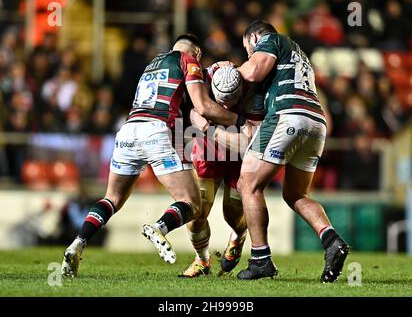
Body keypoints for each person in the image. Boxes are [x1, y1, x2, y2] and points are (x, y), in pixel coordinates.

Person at [61, 33, 249, 277]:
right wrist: (241, 122)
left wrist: (212, 69)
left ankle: (77, 244)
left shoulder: (153, 64)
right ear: (196, 53)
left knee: (111, 199)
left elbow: (192, 76)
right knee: (192, 204)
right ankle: (159, 227)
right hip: (157, 130)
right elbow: (201, 105)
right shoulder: (187, 60)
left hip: (128, 130)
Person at [235, 20, 349, 282]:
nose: (249, 53)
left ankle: (260, 259)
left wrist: (229, 70)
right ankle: (332, 241)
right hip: (316, 122)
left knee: (248, 184)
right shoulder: (300, 57)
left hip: (288, 115)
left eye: (247, 48)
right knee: (296, 193)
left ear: (253, 37)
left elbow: (252, 71)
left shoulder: (273, 40)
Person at [179, 64, 264, 278]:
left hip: (239, 158)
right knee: (196, 213)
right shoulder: (204, 78)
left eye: (231, 100)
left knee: (232, 215)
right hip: (207, 155)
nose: (225, 105)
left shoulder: (255, 94)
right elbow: (187, 96)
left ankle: (238, 234)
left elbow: (248, 143)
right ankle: (202, 260)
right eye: (220, 99)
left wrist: (207, 127)